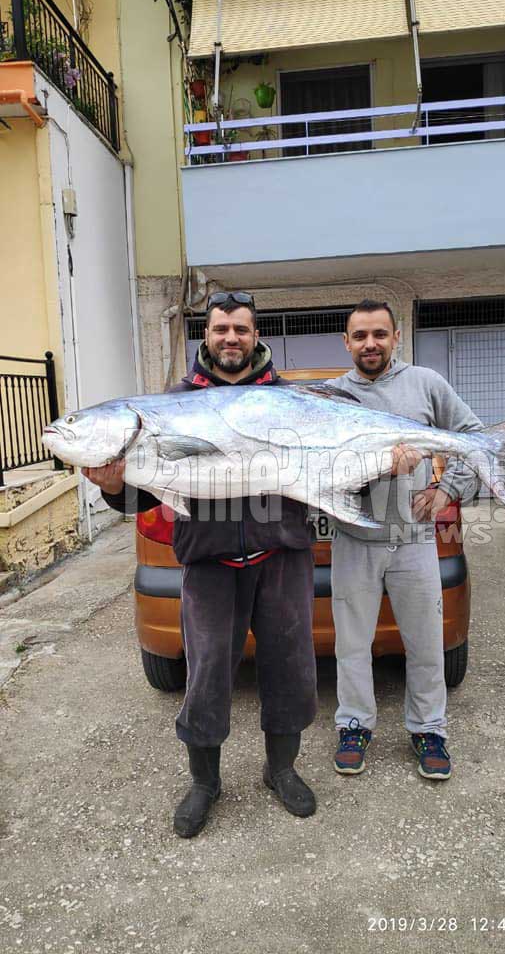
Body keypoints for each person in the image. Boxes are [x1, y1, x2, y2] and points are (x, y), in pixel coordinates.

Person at [82, 291, 318, 837]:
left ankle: (281, 769)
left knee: (290, 668)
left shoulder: (293, 401)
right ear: (205, 337)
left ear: (256, 335)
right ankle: (204, 782)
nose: (230, 337)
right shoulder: (173, 404)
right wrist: (117, 488)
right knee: (207, 672)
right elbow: (144, 494)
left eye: (240, 328)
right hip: (209, 564)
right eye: (219, 329)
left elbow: (333, 463)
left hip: (283, 556)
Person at [328, 299, 483, 781]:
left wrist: (446, 490)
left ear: (396, 337)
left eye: (379, 334)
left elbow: (472, 436)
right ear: (347, 342)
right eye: (360, 336)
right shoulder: (329, 396)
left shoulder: (426, 384)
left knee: (426, 643)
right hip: (353, 539)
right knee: (351, 645)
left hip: (413, 540)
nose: (369, 344)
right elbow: (325, 468)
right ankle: (354, 725)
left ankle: (428, 730)